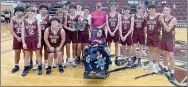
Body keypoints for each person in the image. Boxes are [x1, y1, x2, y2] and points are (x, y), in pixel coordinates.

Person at [21, 7, 42, 76]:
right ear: (27, 12)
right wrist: (23, 42)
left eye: (32, 12)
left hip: (35, 39)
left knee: (38, 54)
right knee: (26, 55)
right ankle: (26, 68)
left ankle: (39, 67)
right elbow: (22, 33)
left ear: (34, 13)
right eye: (29, 11)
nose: (31, 13)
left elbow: (39, 32)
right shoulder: (24, 21)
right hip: (27, 39)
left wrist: (39, 42)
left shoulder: (37, 21)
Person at [160, 6, 177, 81]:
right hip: (163, 38)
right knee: (165, 55)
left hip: (170, 39)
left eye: (166, 10)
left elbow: (168, 29)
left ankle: (172, 73)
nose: (165, 11)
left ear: (169, 11)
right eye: (164, 10)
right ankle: (165, 68)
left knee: (171, 56)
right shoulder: (162, 16)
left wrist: (163, 22)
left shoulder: (173, 19)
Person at [143, 4, 161, 70]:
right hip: (149, 36)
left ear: (155, 9)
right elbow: (144, 26)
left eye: (152, 9)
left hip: (156, 36)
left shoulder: (159, 16)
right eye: (150, 9)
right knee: (150, 50)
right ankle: (150, 64)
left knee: (157, 51)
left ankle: (157, 65)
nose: (151, 10)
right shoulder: (146, 17)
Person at [33, 3, 51, 70]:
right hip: (38, 36)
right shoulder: (36, 16)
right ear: (39, 10)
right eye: (42, 9)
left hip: (47, 36)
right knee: (38, 50)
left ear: (47, 10)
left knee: (46, 50)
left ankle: (46, 62)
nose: (43, 10)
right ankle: (38, 63)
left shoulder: (50, 17)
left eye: (45, 9)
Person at [10, 6, 25, 73]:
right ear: (15, 12)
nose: (19, 12)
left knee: (25, 52)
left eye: (20, 11)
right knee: (17, 52)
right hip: (16, 38)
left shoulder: (25, 19)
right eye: (17, 11)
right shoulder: (13, 20)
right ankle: (16, 65)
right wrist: (17, 37)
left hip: (25, 38)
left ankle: (26, 65)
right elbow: (11, 30)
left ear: (23, 12)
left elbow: (27, 29)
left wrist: (22, 37)